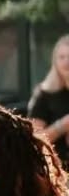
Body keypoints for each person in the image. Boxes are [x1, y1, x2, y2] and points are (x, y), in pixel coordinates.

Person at [28, 33, 69, 168]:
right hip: (56, 171)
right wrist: (62, 125)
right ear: (55, 61)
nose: (66, 62)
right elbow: (34, 139)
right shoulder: (44, 94)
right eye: (62, 57)